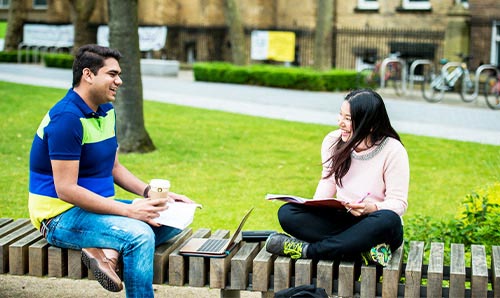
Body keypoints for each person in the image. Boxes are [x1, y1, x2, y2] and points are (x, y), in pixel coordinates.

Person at [28, 44, 194, 297]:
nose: (119, 81)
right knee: (139, 236)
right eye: (112, 74)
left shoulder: (105, 111)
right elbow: (66, 190)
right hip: (59, 217)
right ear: (88, 75)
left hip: (98, 207)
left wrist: (151, 193)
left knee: (172, 215)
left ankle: (106, 252)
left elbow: (114, 167)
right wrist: (129, 211)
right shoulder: (66, 119)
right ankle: (111, 250)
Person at [265, 89, 409, 266]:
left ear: (371, 125)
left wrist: (371, 208)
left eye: (348, 119)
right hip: (344, 219)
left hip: (374, 223)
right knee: (287, 213)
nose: (340, 123)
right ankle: (359, 250)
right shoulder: (333, 140)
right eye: (340, 115)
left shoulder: (393, 150)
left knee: (389, 220)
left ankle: (308, 251)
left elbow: (398, 203)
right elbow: (328, 180)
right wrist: (315, 206)